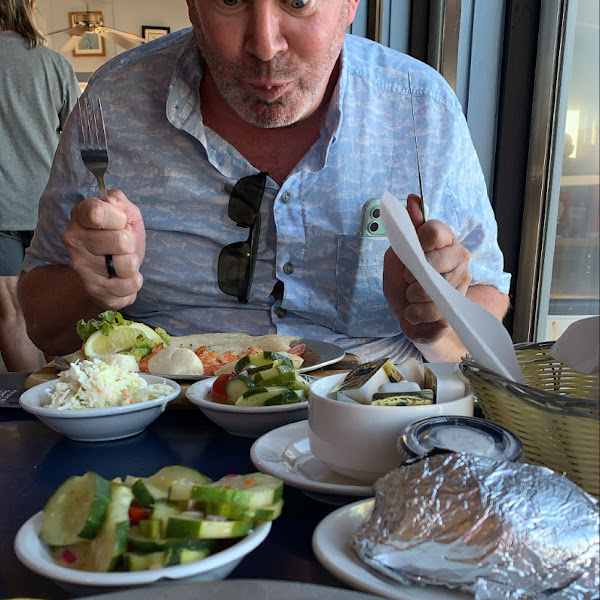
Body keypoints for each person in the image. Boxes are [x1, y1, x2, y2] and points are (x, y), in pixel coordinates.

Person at [18, 0, 510, 365]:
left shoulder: (420, 105)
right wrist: (98, 287)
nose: (265, 44)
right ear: (192, 5)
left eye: (297, 1)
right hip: (160, 422)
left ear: (349, 4)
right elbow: (45, 328)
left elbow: (486, 295)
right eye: (230, 0)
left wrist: (439, 317)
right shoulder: (112, 102)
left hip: (374, 422)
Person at [0, 0, 80, 371]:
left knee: (12, 315)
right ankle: (73, 401)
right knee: (55, 320)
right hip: (50, 207)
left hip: (1, 210)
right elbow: (77, 140)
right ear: (30, 5)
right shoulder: (54, 63)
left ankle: (30, 413)